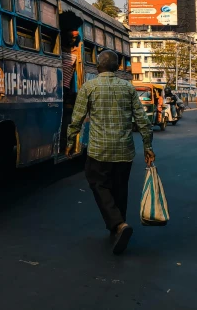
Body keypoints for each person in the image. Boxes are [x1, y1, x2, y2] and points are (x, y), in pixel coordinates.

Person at [66, 50, 154, 255]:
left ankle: (118, 225)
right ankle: (118, 229)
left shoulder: (89, 87)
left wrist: (71, 141)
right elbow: (143, 121)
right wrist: (148, 147)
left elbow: (76, 118)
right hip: (125, 150)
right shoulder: (128, 88)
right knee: (120, 189)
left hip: (99, 150)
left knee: (98, 184)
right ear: (116, 68)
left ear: (98, 67)